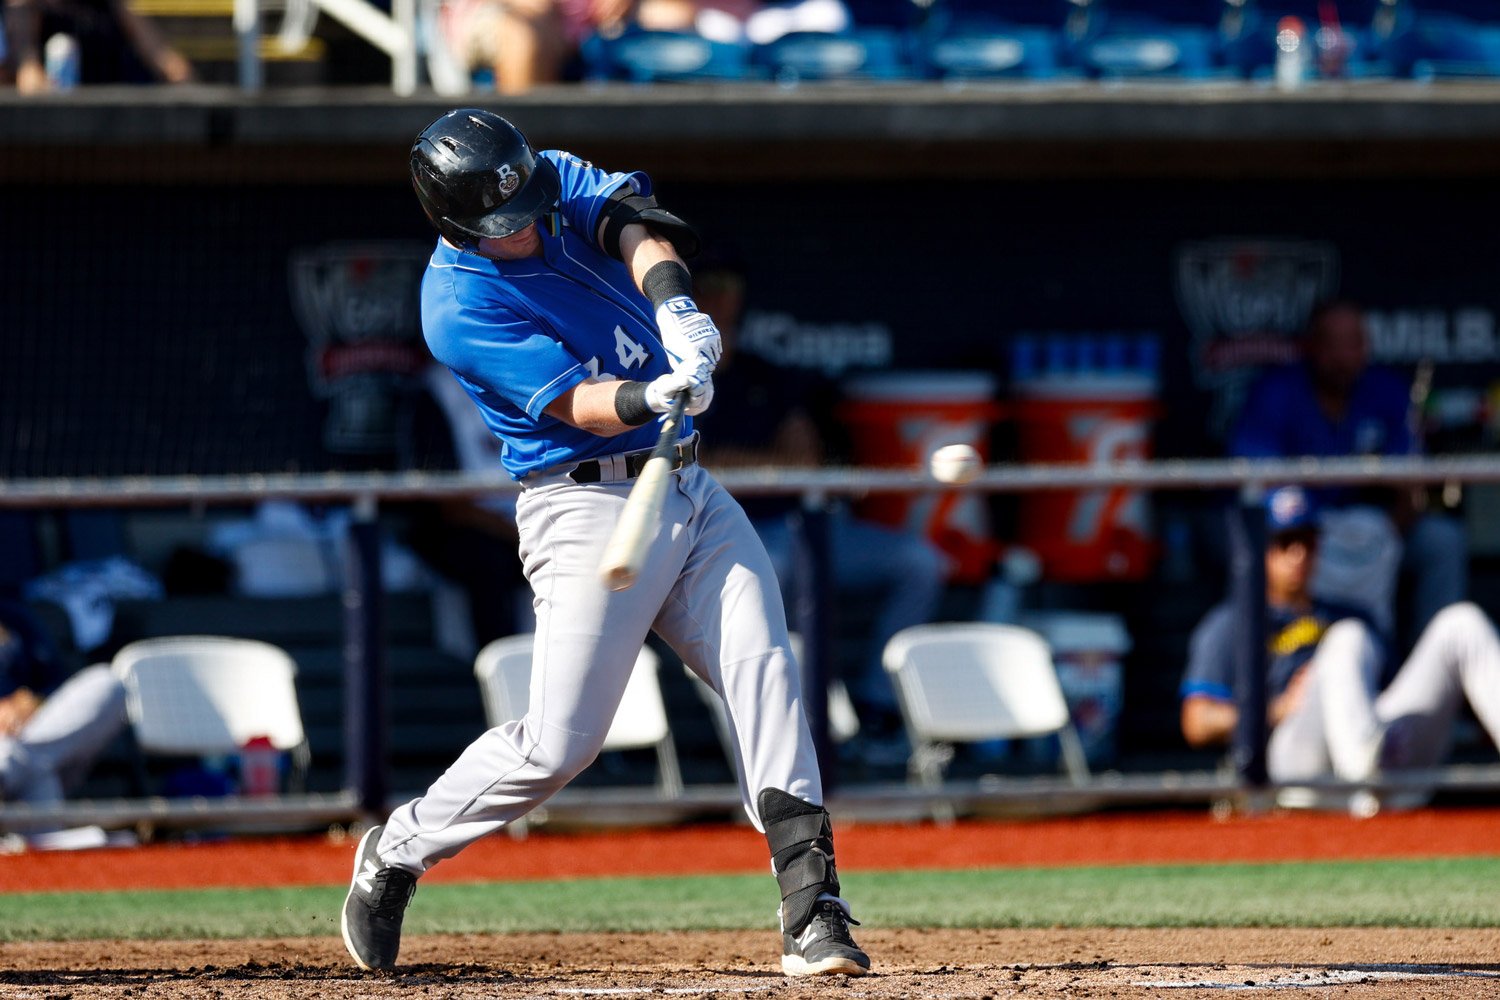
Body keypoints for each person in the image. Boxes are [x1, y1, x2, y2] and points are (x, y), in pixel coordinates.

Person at [340, 108, 870, 978]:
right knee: (562, 742)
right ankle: (398, 848)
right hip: (580, 507)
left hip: (687, 486)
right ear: (458, 224)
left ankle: (812, 907)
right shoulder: (456, 305)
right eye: (502, 226)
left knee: (764, 666)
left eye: (526, 209)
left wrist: (679, 311)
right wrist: (651, 395)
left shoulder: (540, 171)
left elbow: (632, 225)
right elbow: (574, 406)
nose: (524, 230)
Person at [690, 243, 946, 758]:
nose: (721, 298)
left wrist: (743, 462)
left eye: (730, 287)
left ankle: (875, 706)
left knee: (920, 562)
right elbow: (691, 463)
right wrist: (761, 463)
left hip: (804, 524)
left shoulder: (767, 373)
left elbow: (802, 460)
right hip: (726, 533)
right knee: (776, 569)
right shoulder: (668, 376)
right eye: (710, 285)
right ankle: (793, 726)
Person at [1179, 485, 1500, 811]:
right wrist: (1276, 710)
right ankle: (1365, 775)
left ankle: (1370, 776)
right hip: (1297, 760)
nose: (1298, 555)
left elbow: (1390, 692)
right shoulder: (1234, 622)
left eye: (1307, 541)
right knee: (1346, 638)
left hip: (1376, 747)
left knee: (1463, 623)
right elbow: (1197, 721)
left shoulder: (1349, 613)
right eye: (1284, 543)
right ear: (1260, 550)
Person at [1230, 299, 1467, 642]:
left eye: (1352, 344)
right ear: (1312, 346)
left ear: (1365, 348)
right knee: (1256, 547)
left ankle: (1437, 662)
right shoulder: (1278, 391)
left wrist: (1387, 530)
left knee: (1441, 541)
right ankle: (1276, 659)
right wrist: (1311, 538)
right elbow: (1256, 480)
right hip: (1302, 533)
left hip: (1371, 530)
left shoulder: (1385, 390)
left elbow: (1411, 481)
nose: (1342, 357)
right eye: (1332, 345)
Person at [0, 599, 128, 813]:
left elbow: (57, 682)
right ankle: (43, 840)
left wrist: (34, 701)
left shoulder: (16, 617)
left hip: (32, 735)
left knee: (106, 683)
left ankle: (8, 771)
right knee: (35, 767)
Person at [2, 0, 194, 91]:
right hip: (66, 136)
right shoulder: (26, 9)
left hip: (121, 124)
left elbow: (165, 59)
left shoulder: (112, 6)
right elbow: (29, 76)